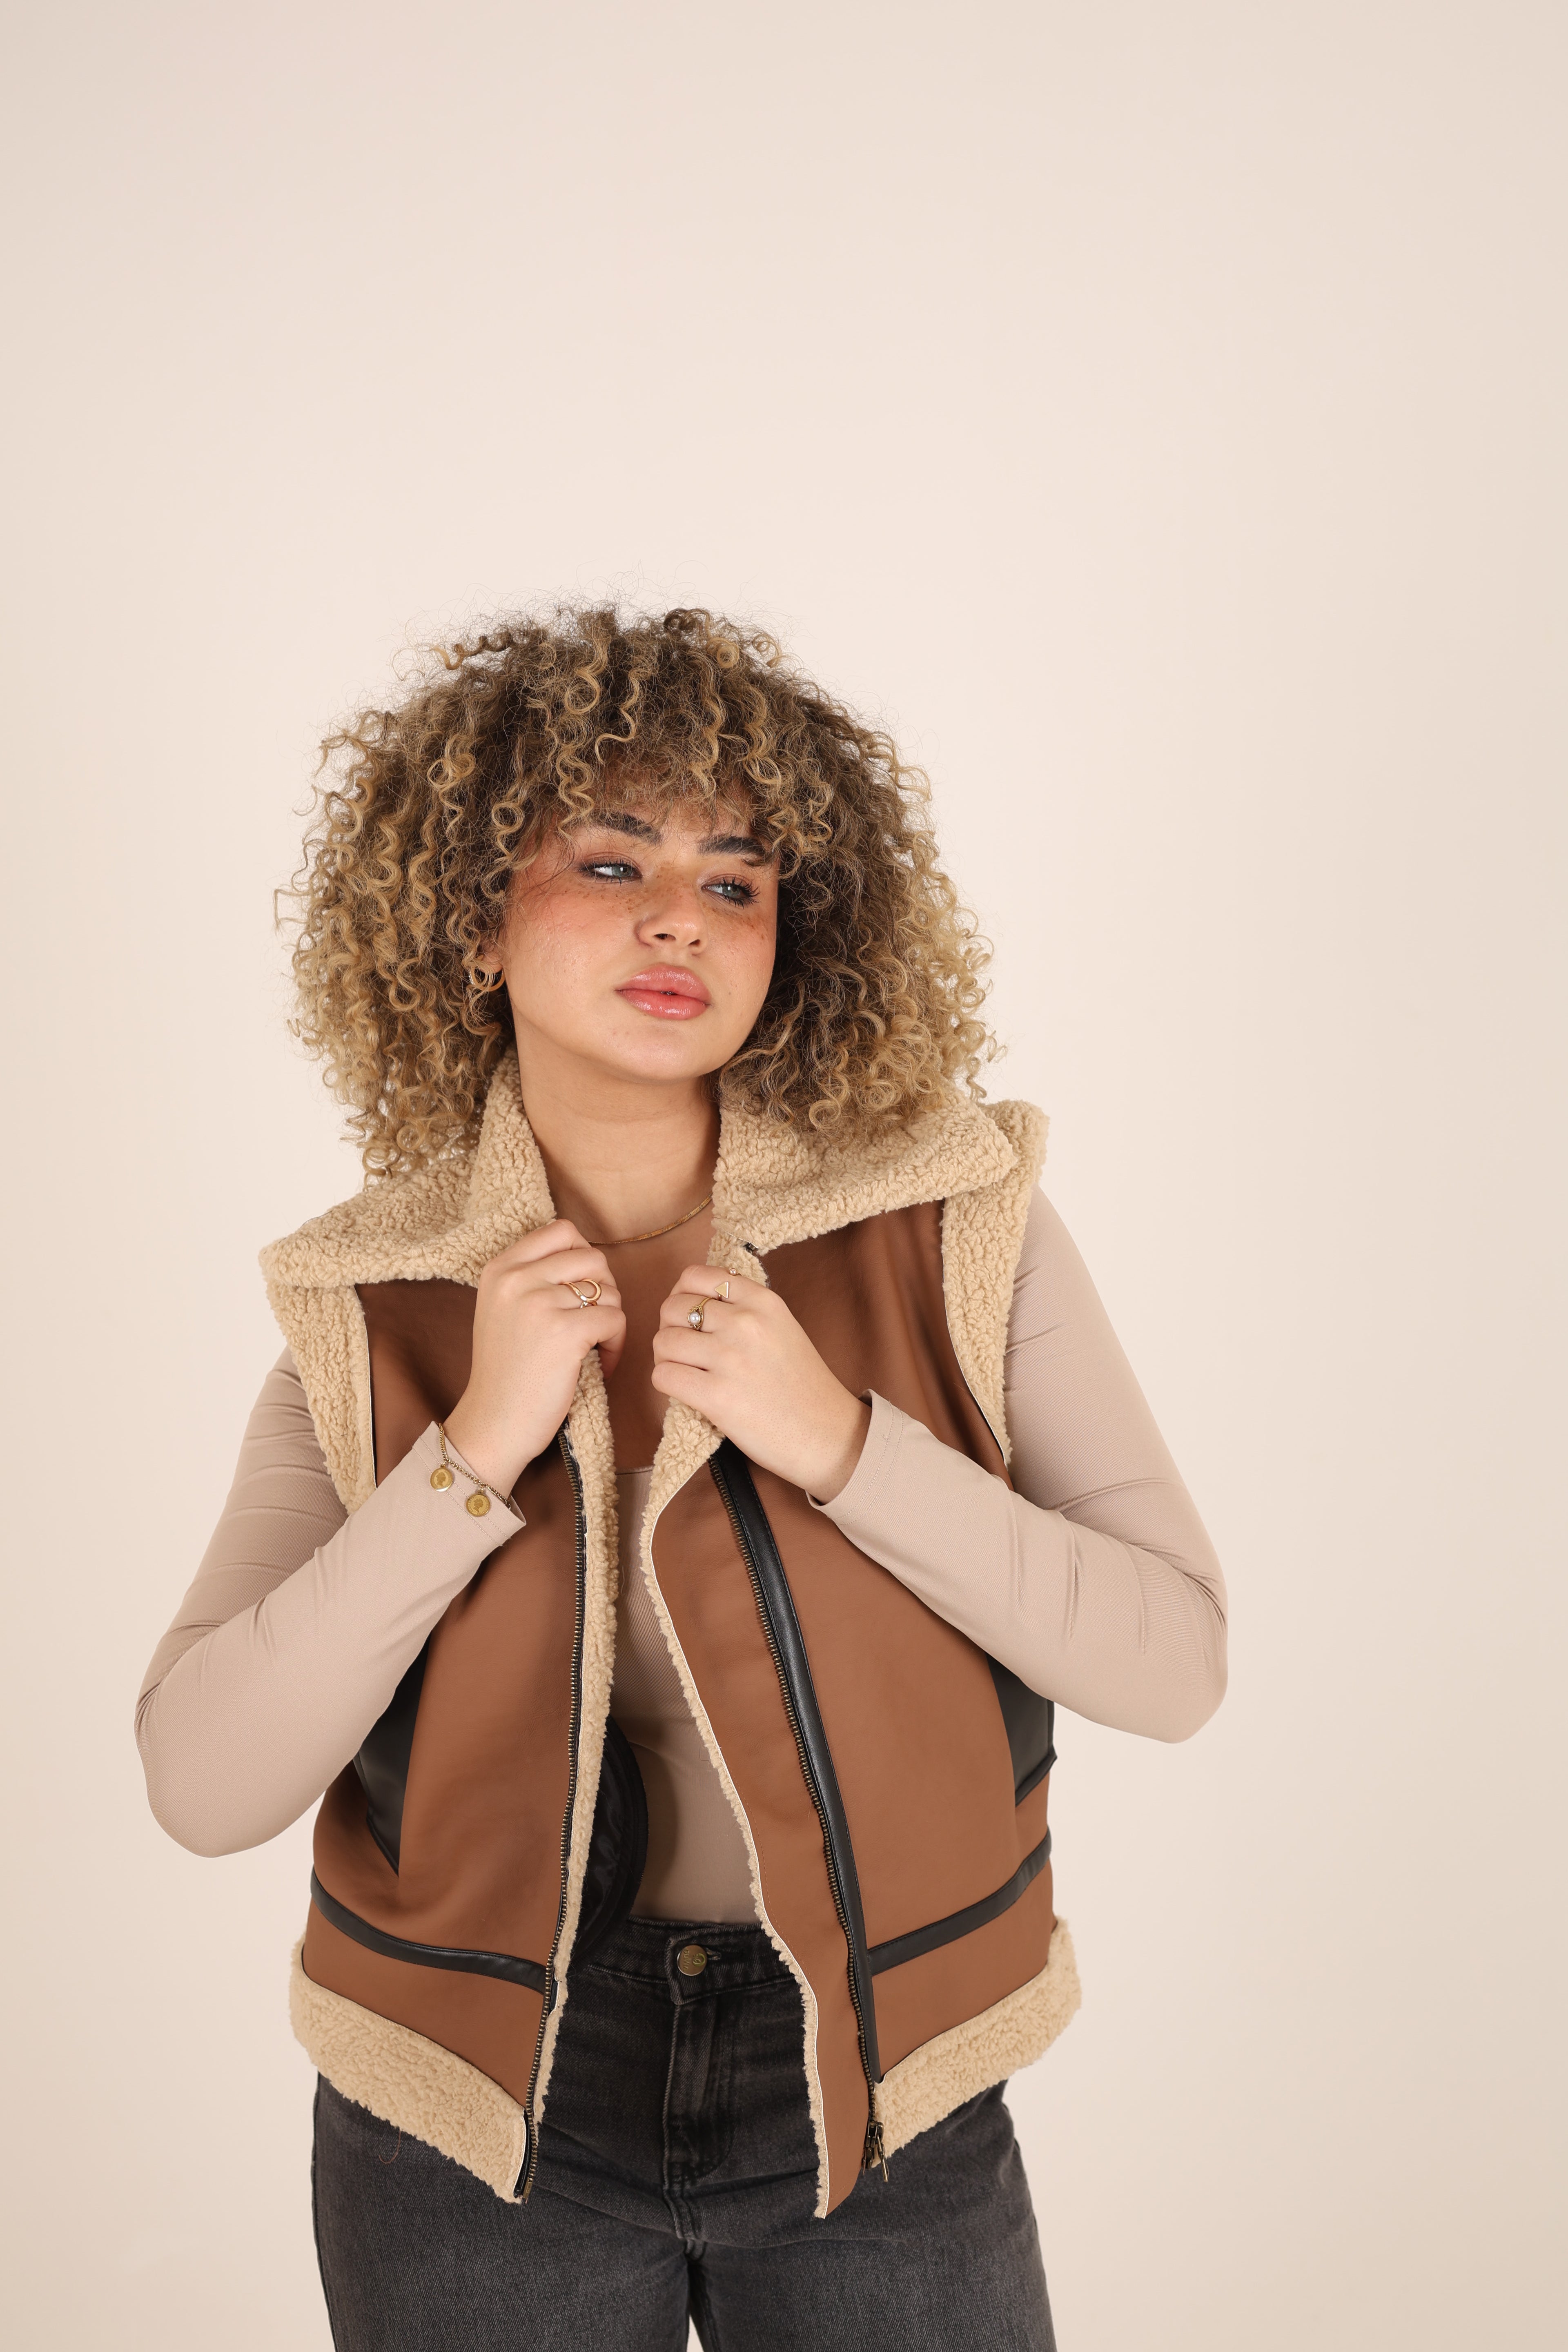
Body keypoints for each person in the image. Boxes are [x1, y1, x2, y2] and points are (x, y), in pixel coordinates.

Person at [137, 606, 1227, 2351]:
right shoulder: (374, 1307)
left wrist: (843, 1444)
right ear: (472, 917)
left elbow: (1173, 1667)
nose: (680, 919)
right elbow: (203, 1783)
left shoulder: (959, 1226)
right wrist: (473, 1452)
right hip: (474, 2110)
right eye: (611, 860)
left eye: (736, 881)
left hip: (885, 2079)